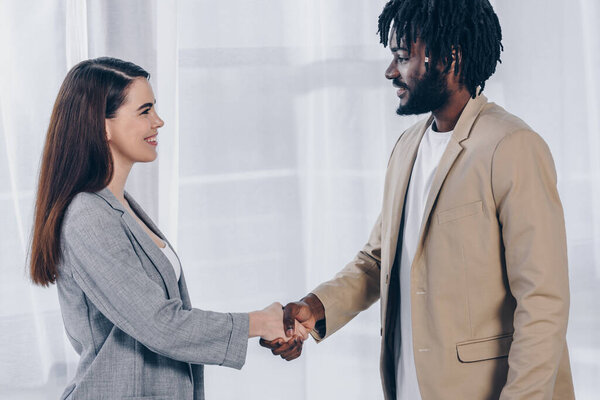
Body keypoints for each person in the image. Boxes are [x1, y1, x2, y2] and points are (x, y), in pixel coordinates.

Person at [260, 0, 575, 399]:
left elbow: (543, 302)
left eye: (402, 57)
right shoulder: (408, 146)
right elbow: (379, 260)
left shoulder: (512, 147)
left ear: (449, 56)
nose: (391, 71)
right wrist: (316, 307)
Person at [29, 57, 306, 399]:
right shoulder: (89, 216)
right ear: (103, 126)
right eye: (144, 111)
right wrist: (258, 322)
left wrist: (268, 323)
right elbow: (160, 324)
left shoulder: (122, 207)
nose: (158, 121)